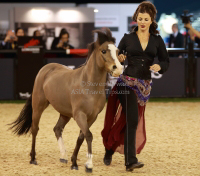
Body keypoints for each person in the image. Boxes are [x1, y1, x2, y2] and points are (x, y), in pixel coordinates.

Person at [101, 1, 169, 172]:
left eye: (146, 19)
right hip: (126, 84)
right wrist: (121, 58)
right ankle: (130, 161)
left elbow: (165, 60)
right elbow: (116, 57)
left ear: (152, 20)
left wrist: (160, 67)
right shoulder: (128, 38)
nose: (143, 22)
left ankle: (109, 148)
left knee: (126, 120)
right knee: (132, 119)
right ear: (136, 19)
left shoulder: (157, 40)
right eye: (140, 18)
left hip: (144, 87)